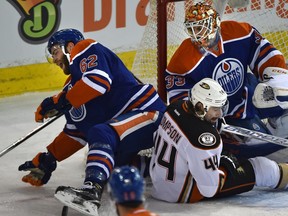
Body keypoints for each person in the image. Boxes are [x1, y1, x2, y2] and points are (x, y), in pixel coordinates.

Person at [18, 28, 166, 212]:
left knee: (101, 132)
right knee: (110, 168)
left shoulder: (85, 48)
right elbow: (77, 133)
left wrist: (59, 100)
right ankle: (167, 167)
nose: (55, 60)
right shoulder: (72, 89)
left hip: (147, 112)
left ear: (69, 46)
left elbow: (98, 82)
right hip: (124, 128)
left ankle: (91, 192)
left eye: (55, 52)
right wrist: (50, 158)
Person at [164, 2, 288, 158]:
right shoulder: (183, 60)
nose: (196, 33)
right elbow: (179, 95)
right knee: (261, 153)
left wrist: (274, 81)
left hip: (250, 94)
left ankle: (277, 122)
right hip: (228, 115)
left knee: (282, 94)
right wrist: (203, 120)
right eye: (193, 28)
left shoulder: (239, 32)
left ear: (215, 23)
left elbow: (264, 52)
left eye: (200, 27)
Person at [149, 78, 288, 203]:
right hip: (184, 192)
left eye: (221, 107)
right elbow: (209, 189)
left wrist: (212, 124)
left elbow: (159, 137)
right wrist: (227, 165)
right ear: (199, 106)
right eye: (215, 108)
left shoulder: (175, 107)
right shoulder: (204, 138)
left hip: (159, 183)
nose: (220, 113)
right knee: (262, 167)